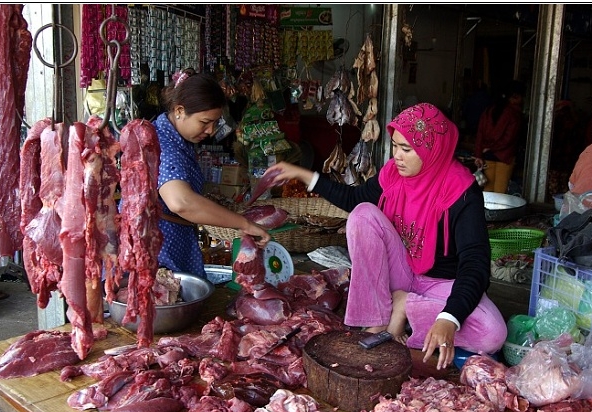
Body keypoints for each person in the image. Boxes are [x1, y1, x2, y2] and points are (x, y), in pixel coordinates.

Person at [265, 103, 507, 370]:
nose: (398, 157)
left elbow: (475, 262)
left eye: (407, 149)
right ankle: (379, 318)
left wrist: (449, 318)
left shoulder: (460, 191)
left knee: (493, 334)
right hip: (403, 271)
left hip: (443, 283)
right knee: (363, 214)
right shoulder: (394, 175)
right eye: (395, 146)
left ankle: (404, 306)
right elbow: (352, 198)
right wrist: (303, 174)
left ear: (431, 150)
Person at [155, 69, 271, 278]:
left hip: (173, 241)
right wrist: (244, 224)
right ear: (179, 110)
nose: (210, 130)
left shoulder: (179, 139)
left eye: (215, 122)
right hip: (159, 249)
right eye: (204, 122)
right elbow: (181, 202)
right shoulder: (164, 144)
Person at [473, 80, 526, 193]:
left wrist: (479, 154)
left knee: (487, 190)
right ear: (515, 97)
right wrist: (492, 148)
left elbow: (480, 134)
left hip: (487, 156)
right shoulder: (514, 114)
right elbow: (508, 139)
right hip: (504, 157)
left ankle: (487, 211)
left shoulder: (488, 111)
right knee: (500, 192)